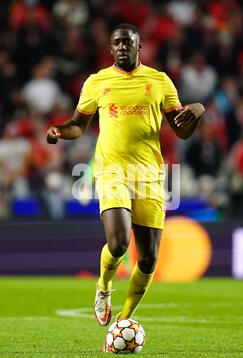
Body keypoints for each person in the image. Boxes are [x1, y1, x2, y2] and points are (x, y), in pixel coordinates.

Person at [46, 23, 205, 335]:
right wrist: (59, 131)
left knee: (148, 260)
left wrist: (197, 112)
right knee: (119, 243)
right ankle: (104, 284)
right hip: (112, 170)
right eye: (116, 43)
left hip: (149, 174)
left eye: (127, 43)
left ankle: (123, 320)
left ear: (139, 46)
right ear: (110, 48)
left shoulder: (159, 81)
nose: (121, 47)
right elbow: (79, 125)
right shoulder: (97, 82)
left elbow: (181, 131)